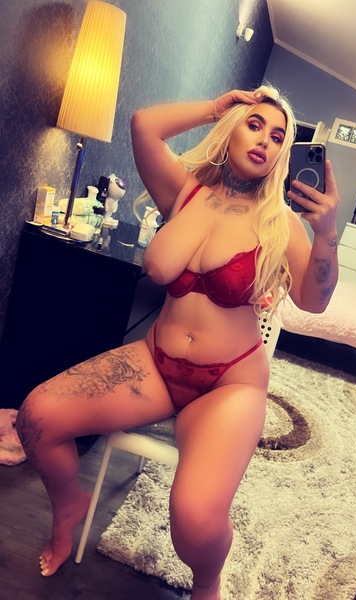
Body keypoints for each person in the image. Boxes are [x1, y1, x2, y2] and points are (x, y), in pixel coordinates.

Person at [16, 85, 339, 599]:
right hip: (155, 364)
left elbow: (314, 301)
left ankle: (207, 583)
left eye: (278, 137)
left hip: (229, 384)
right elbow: (144, 124)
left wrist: (326, 235)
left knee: (194, 517)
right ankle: (69, 507)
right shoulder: (184, 192)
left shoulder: (281, 223)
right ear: (232, 129)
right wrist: (217, 106)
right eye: (254, 124)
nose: (265, 140)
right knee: (36, 416)